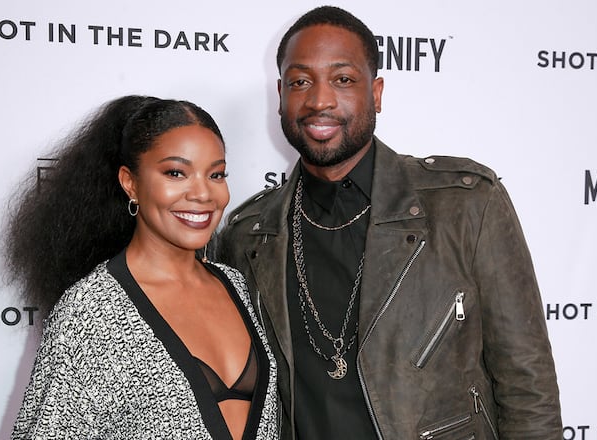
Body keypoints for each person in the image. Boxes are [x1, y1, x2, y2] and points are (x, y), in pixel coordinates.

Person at [216, 6, 562, 439]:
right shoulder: (249, 233)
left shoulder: (466, 206)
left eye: (343, 79)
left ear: (376, 93)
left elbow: (528, 388)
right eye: (301, 81)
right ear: (281, 95)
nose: (320, 100)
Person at [4, 95, 279, 439]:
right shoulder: (93, 310)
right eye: (176, 173)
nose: (203, 193)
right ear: (130, 182)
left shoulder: (234, 283)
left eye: (216, 174)